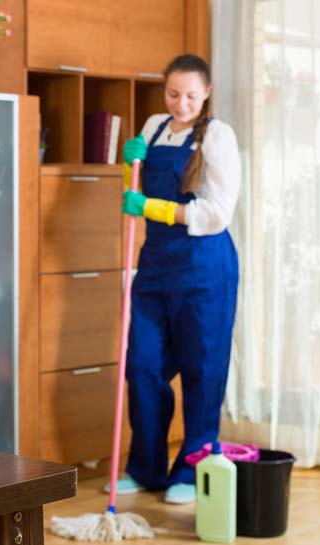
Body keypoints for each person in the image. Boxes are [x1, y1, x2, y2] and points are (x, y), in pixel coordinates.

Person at [115, 54, 240, 504]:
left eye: (190, 95)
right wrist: (128, 167)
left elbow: (217, 213)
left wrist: (153, 208)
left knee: (201, 369)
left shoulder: (218, 136)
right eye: (173, 93)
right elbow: (135, 194)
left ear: (205, 92)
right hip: (155, 267)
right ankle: (145, 470)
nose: (181, 103)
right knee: (143, 366)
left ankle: (193, 468)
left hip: (205, 266)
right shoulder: (152, 127)